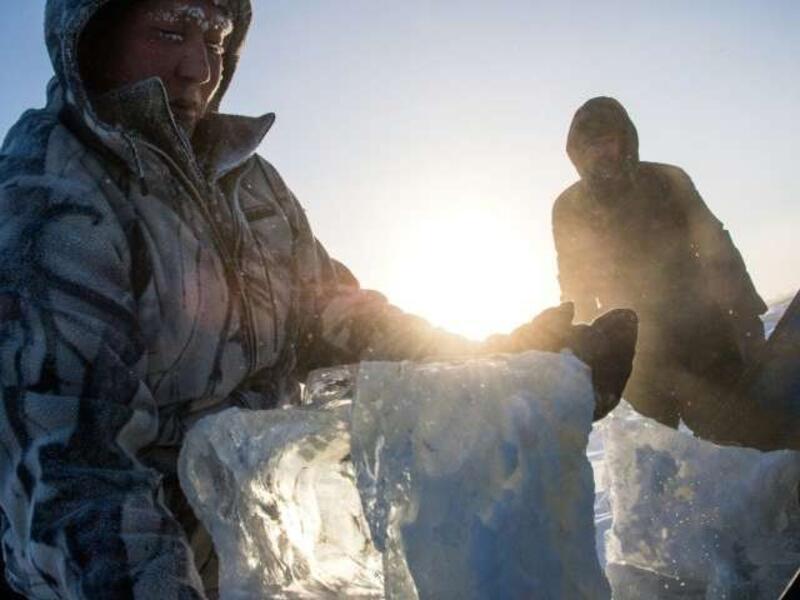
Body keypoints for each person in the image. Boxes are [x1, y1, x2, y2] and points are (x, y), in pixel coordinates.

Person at [0, 2, 636, 598]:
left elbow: (342, 318)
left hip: (251, 548)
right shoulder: (50, 195)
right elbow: (74, 468)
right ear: (93, 31)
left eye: (216, 39)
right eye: (170, 30)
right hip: (119, 568)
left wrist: (504, 366)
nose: (199, 67)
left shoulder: (250, 184)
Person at [552, 96, 767, 435]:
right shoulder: (569, 208)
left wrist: (746, 310)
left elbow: (716, 245)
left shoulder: (668, 180)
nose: (601, 152)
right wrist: (582, 348)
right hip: (637, 348)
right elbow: (575, 281)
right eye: (591, 146)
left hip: (703, 330)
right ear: (578, 154)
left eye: (608, 141)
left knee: (734, 435)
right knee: (658, 458)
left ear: (625, 140)